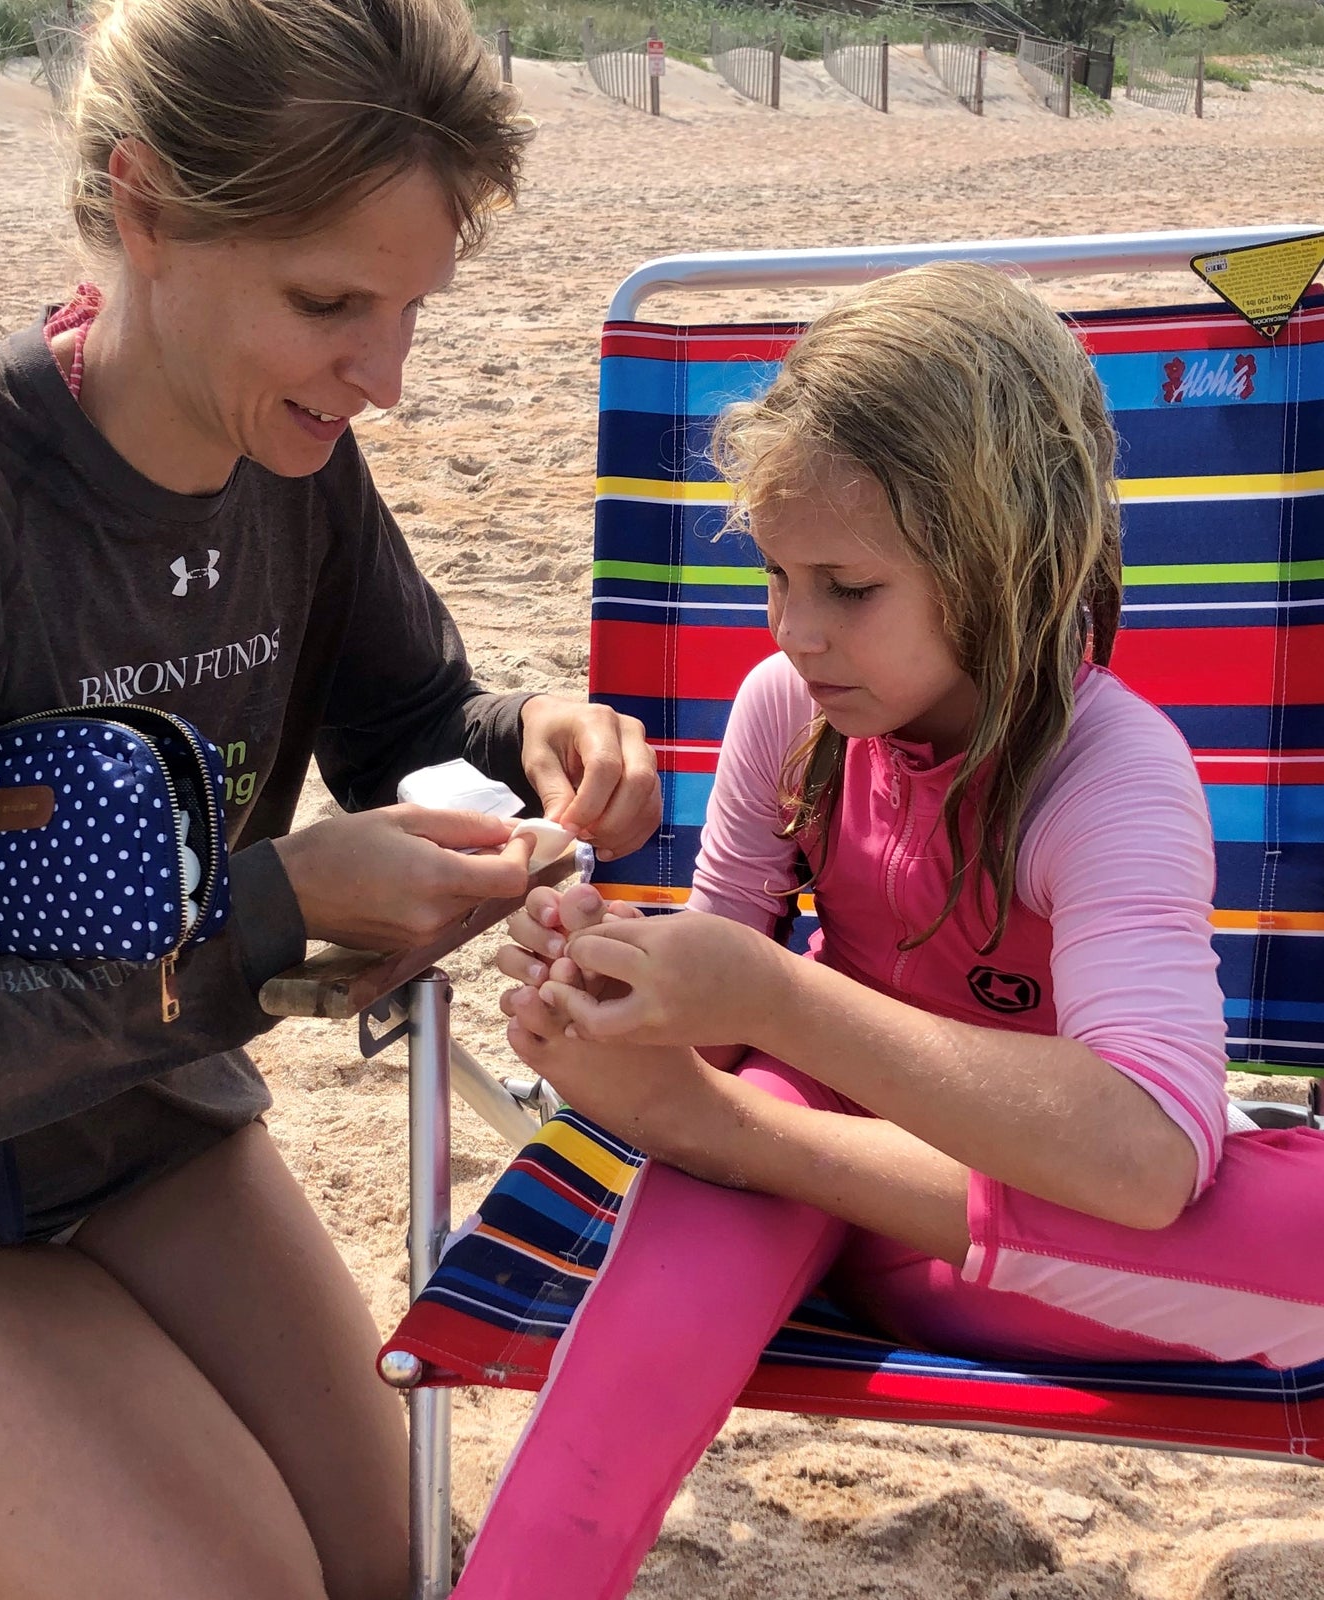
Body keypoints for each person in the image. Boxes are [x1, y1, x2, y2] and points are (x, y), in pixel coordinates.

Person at [0, 2, 660, 1596]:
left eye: (413, 309)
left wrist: (532, 742)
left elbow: (412, 723)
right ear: (148, 208)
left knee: (388, 1572)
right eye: (329, 302)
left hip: (156, 1131)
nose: (387, 376)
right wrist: (273, 918)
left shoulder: (293, 469)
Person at [455, 262, 1324, 1600]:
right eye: (776, 578)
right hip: (838, 1185)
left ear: (998, 566)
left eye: (847, 587)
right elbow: (731, 999)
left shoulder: (1107, 773)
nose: (795, 632)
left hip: (935, 1199)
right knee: (628, 1371)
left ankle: (735, 1144)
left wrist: (756, 1052)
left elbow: (1145, 1158)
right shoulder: (785, 714)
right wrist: (614, 983)